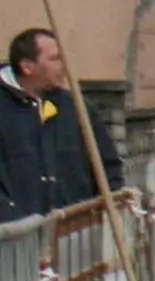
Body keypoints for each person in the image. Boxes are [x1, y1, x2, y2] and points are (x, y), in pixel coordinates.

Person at [0, 28, 124, 222]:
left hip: (76, 234)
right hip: (18, 241)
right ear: (27, 67)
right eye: (55, 59)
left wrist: (112, 207)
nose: (64, 66)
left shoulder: (74, 107)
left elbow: (107, 164)